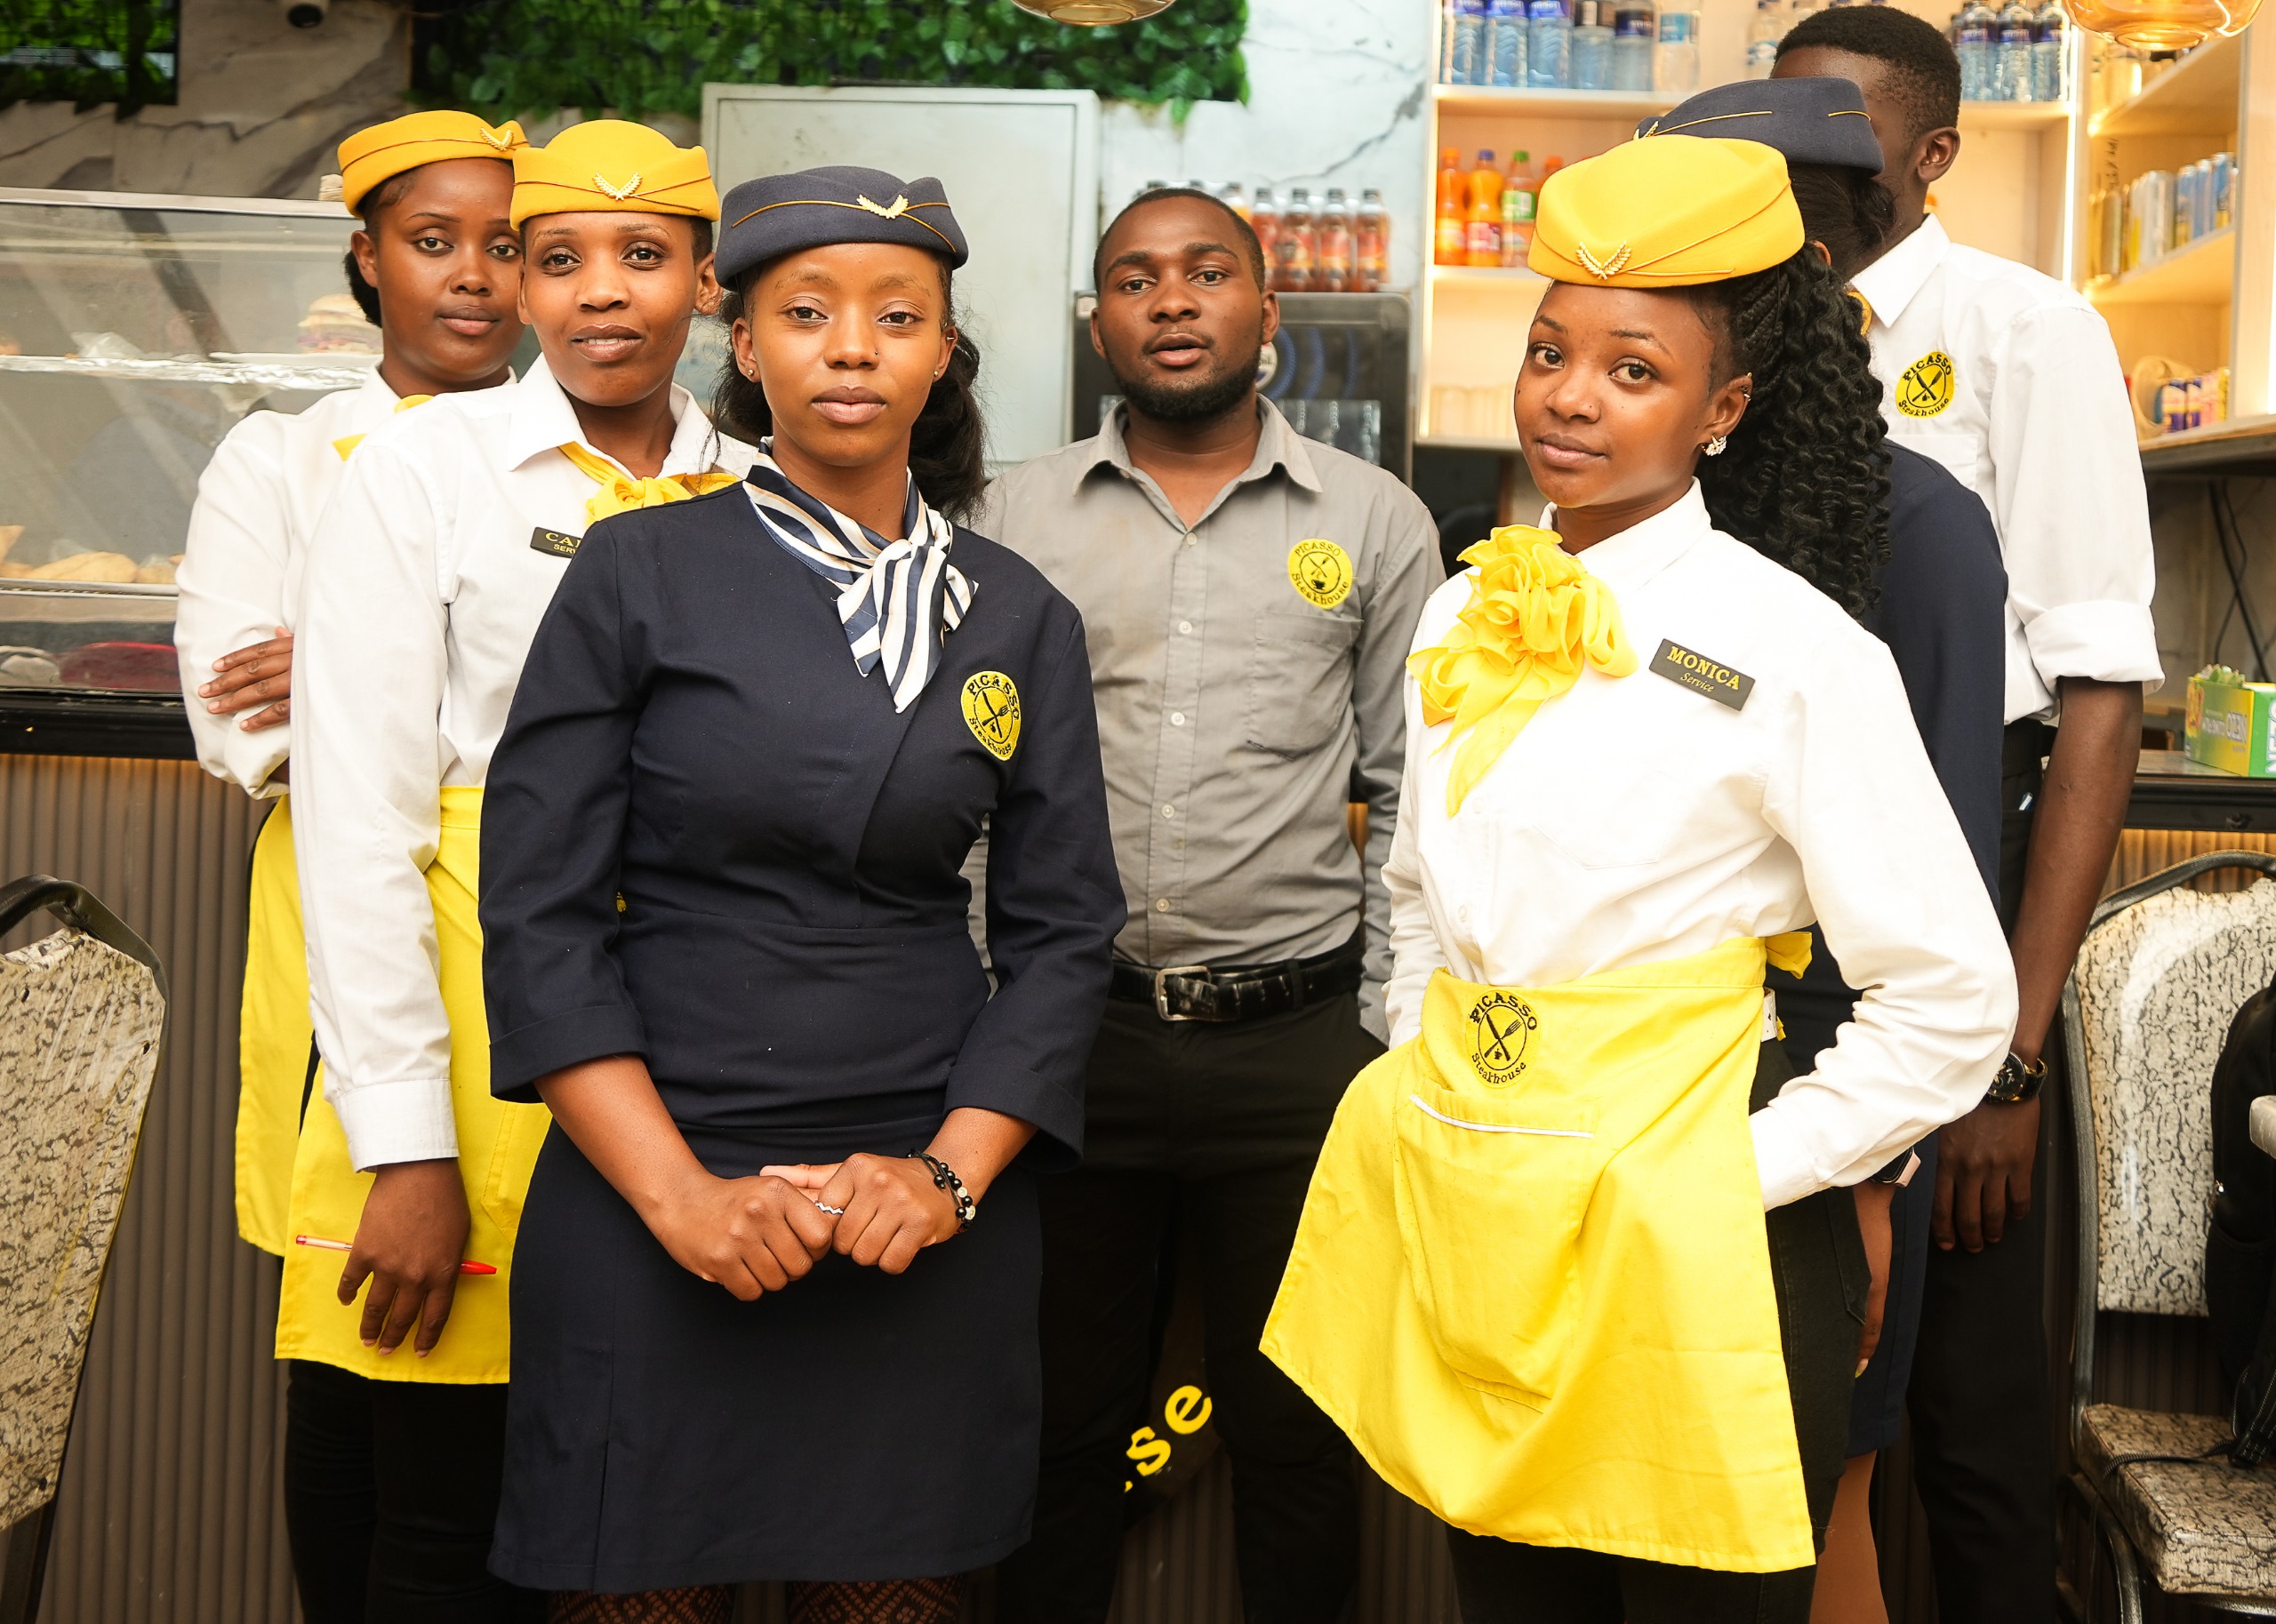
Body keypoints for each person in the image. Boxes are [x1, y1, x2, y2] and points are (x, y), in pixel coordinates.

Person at [1262, 133, 2016, 1623]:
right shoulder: (1469, 607)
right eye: (1552, 354)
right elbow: (1417, 889)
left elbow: (1948, 996)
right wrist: (1434, 1069)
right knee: (1507, 1599)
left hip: (1699, 1236)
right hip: (1489, 1206)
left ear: (1722, 409)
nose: (1570, 397)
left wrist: (1737, 1177)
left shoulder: (1797, 647)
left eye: (1632, 369)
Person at [477, 165, 1123, 1624]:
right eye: (808, 314)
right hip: (658, 1180)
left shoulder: (1018, 612)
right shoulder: (637, 572)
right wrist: (682, 1200)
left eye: (898, 317)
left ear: (943, 352)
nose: (852, 347)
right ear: (744, 344)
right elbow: (540, 916)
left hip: (913, 1199)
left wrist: (945, 1177)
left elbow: (1064, 932)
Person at [284, 120, 752, 1624]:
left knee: (663, 1503)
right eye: (560, 258)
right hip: (473, 1033)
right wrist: (403, 1146)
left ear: (706, 282)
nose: (601, 294)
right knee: (448, 1514)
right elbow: (361, 823)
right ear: (527, 281)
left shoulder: (759, 490)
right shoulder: (420, 470)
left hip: (698, 1040)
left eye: (642, 256)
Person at [974, 185, 1440, 1624]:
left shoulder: (1375, 521)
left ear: (1268, 313)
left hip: (1292, 1055)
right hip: (1066, 1048)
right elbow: (962, 786)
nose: (1171, 301)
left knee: (1299, 1439)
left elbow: (1413, 795)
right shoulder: (1007, 514)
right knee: (1053, 1430)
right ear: (1097, 320)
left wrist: (1372, 1030)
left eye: (1206, 273)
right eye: (1135, 277)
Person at [1775, 5, 2157, 1624]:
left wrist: (2010, 1050)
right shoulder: (1742, 337)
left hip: (1973, 876)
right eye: (1777, 127)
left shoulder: (2023, 329)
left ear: (1932, 156)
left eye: (1844, 135)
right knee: (1808, 1401)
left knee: (1975, 1438)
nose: (1799, 164)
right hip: (1787, 913)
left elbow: (2097, 694)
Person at [1641, 80, 2008, 1622]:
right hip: (1628, 1097)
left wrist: (1874, 1163)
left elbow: (1936, 884)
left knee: (1817, 1503)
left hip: (1816, 1106)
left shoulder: (1913, 523)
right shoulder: (1644, 505)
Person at [177, 110, 525, 1274]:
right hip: (333, 896)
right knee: (352, 1270)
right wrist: (472, 676)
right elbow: (240, 721)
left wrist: (348, 666)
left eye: (512, 243)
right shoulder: (274, 460)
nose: (475, 275)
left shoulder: (585, 461)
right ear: (370, 257)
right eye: (434, 240)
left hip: (545, 899)